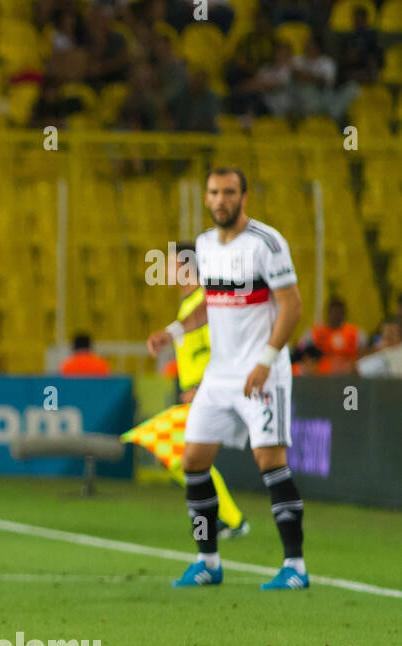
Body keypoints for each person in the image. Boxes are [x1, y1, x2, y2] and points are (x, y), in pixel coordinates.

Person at [146, 167, 309, 590]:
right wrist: (174, 332)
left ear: (244, 197)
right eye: (215, 193)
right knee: (193, 462)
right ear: (206, 197)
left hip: (263, 372)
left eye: (230, 192)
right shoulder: (203, 245)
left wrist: (266, 359)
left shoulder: (267, 244)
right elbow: (209, 304)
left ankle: (295, 566)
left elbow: (292, 306)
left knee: (269, 461)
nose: (221, 200)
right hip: (219, 375)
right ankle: (208, 560)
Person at [123, 241, 248, 538]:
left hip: (211, 391)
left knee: (185, 456)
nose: (164, 269)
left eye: (169, 263)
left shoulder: (203, 303)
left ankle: (228, 519)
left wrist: (202, 386)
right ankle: (222, 518)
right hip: (201, 391)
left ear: (186, 266)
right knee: (181, 456)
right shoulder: (190, 304)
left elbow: (222, 347)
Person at [295, 297, 368, 374]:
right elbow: (300, 349)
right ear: (328, 313)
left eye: (339, 313)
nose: (336, 316)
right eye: (334, 312)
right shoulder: (315, 332)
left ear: (344, 313)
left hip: (348, 375)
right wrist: (309, 361)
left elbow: (365, 352)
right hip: (320, 374)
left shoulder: (355, 333)